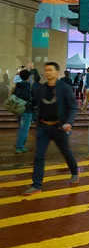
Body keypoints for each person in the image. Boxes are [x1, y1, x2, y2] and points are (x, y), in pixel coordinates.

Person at [23, 62, 79, 196]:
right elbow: (35, 104)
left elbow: (73, 106)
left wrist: (69, 122)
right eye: (45, 70)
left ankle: (75, 171)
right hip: (43, 127)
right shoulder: (40, 88)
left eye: (50, 70)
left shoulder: (64, 88)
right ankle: (36, 185)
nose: (47, 72)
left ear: (57, 72)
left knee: (65, 151)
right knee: (39, 156)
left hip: (59, 127)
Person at [14, 69, 33, 154]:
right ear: (28, 77)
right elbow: (31, 98)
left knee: (21, 128)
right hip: (26, 110)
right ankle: (19, 147)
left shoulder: (17, 86)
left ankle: (20, 144)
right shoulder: (28, 86)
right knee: (24, 129)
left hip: (18, 109)